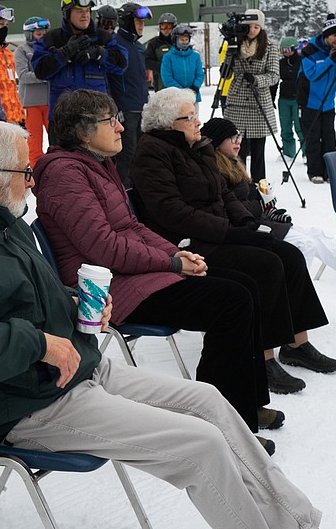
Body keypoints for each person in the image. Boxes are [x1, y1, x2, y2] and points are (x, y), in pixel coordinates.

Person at [0, 118, 323, 529]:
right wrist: (38, 344)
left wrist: (72, 302)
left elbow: (16, 297)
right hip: (24, 404)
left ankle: (297, 526)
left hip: (69, 373)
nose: (31, 182)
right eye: (24, 171)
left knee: (209, 401)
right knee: (202, 446)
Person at [34, 90, 278, 443]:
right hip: (105, 292)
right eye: (110, 121)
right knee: (233, 300)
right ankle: (225, 424)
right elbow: (103, 248)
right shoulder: (65, 176)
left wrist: (181, 258)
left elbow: (131, 227)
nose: (120, 127)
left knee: (246, 285)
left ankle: (245, 406)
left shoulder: (97, 165)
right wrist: (171, 262)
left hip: (133, 274)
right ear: (84, 133)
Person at [132, 88, 336, 396]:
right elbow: (172, 212)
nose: (197, 122)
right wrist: (229, 231)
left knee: (290, 254)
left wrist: (245, 221)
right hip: (189, 245)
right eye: (189, 117)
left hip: (218, 233)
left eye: (195, 115)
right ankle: (263, 357)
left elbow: (223, 192)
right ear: (167, 123)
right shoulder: (152, 152)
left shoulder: (195, 146)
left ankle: (297, 344)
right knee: (266, 265)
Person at [200, 117, 336, 292]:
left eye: (239, 138)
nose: (238, 143)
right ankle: (294, 299)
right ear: (217, 142)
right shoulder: (215, 171)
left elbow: (247, 202)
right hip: (247, 230)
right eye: (232, 139)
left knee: (316, 234)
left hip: (260, 222)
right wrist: (261, 207)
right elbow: (234, 208)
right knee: (306, 244)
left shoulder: (232, 164)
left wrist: (267, 204)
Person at [30, 0, 127, 112]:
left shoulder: (102, 38)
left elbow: (122, 64)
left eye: (87, 10)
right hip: (63, 117)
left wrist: (98, 53)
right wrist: (64, 54)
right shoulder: (51, 39)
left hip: (96, 115)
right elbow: (40, 71)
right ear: (67, 13)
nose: (85, 15)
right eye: (79, 11)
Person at [223, 9, 277, 183]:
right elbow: (225, 75)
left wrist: (256, 79)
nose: (252, 30)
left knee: (258, 151)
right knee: (237, 149)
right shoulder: (235, 44)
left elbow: (274, 75)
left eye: (256, 26)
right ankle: (240, 184)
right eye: (249, 26)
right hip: (237, 101)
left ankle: (260, 186)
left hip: (258, 101)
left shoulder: (270, 47)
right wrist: (229, 53)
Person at [297, 16, 336, 184]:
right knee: (313, 140)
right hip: (310, 102)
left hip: (328, 104)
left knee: (329, 139)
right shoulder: (309, 51)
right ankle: (315, 172)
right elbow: (313, 74)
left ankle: (330, 171)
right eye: (334, 36)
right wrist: (330, 59)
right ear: (326, 36)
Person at [107, 2, 152, 189]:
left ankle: (139, 188)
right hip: (125, 109)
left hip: (141, 107)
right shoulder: (115, 44)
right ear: (126, 22)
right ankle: (124, 193)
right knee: (127, 155)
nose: (141, 25)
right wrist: (114, 108)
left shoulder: (138, 46)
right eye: (137, 21)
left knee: (142, 153)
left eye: (143, 22)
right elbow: (108, 78)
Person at [14, 17, 50, 167]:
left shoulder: (50, 50)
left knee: (57, 140)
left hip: (50, 102)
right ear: (29, 35)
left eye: (44, 34)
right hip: (31, 104)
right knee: (34, 144)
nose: (42, 37)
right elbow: (22, 76)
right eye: (38, 34)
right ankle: (37, 172)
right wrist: (44, 75)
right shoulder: (22, 51)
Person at [160, 23, 204, 101]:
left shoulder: (195, 56)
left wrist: (195, 87)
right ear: (175, 40)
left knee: (192, 113)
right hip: (176, 98)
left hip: (193, 96)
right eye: (181, 40)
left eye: (186, 40)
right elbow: (167, 78)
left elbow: (200, 74)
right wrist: (181, 91)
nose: (184, 42)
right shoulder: (168, 57)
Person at [277, 36, 304, 160]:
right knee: (285, 127)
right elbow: (274, 81)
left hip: (298, 99)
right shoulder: (280, 63)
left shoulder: (302, 61)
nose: (285, 53)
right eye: (283, 50)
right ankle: (288, 152)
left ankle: (307, 153)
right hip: (284, 98)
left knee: (300, 127)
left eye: (287, 49)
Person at [144, 12, 177, 90]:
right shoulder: (154, 43)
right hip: (160, 83)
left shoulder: (178, 43)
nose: (166, 30)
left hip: (178, 83)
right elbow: (147, 62)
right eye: (163, 26)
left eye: (169, 26)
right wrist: (163, 66)